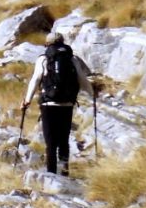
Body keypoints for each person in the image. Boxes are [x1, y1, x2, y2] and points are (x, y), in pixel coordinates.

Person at [22, 32, 93, 176]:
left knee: (51, 142)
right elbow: (82, 79)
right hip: (67, 104)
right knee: (64, 139)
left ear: (47, 44)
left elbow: (35, 79)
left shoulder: (43, 58)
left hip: (49, 104)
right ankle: (64, 171)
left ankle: (51, 175)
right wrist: (93, 95)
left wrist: (27, 100)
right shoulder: (72, 59)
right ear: (62, 42)